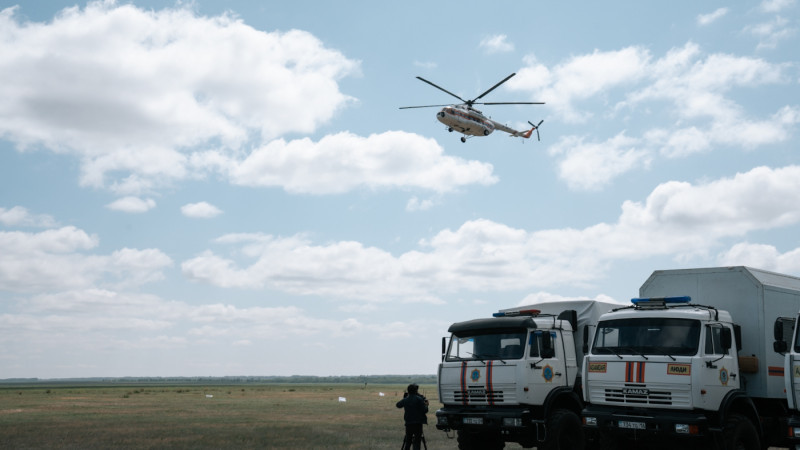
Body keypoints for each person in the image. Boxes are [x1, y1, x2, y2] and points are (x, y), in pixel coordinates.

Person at [396, 383, 428, 450]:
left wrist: (405, 399)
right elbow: (425, 410)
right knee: (417, 442)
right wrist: (426, 405)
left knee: (408, 441)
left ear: (408, 391)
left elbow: (398, 405)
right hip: (418, 423)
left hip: (408, 423)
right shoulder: (419, 399)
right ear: (416, 391)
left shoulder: (406, 400)